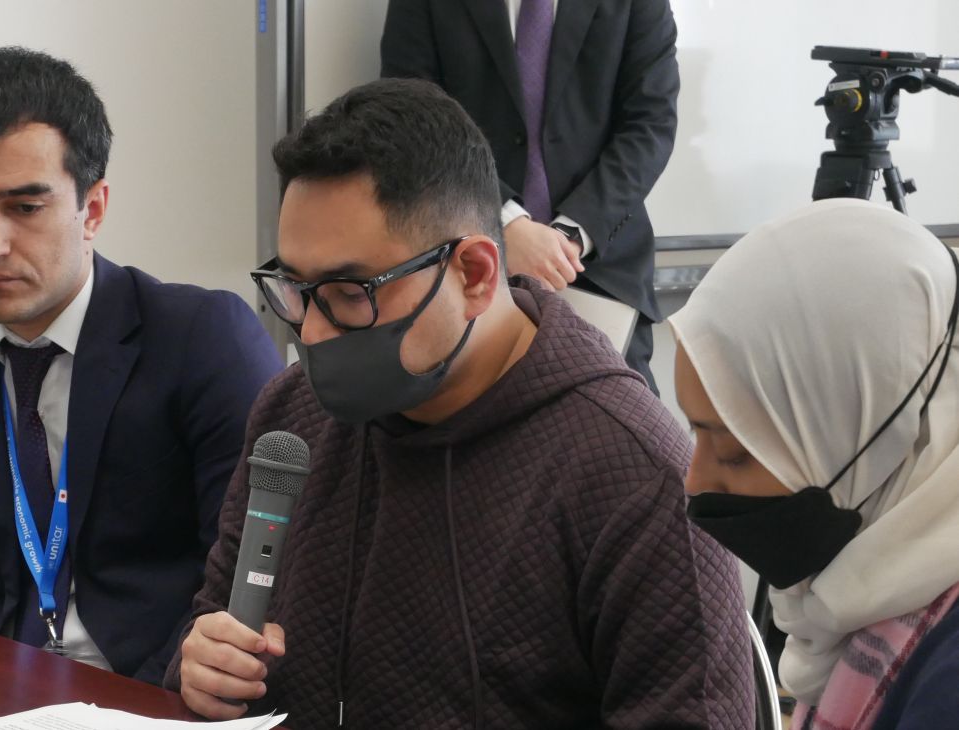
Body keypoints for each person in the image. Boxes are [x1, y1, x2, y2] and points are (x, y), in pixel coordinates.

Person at [168, 78, 752, 728]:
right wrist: (201, 669)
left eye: (349, 292)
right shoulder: (291, 418)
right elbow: (214, 624)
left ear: (474, 274)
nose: (310, 332)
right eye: (297, 289)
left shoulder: (631, 478)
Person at [0, 47, 284, 684]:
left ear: (92, 209)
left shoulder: (202, 338)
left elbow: (252, 578)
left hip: (162, 690)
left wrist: (162, 687)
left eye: (25, 206)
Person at [671, 198, 959, 729]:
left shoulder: (946, 682)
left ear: (873, 431)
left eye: (734, 452)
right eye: (695, 432)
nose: (693, 480)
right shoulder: (865, 605)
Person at [381, 0, 680, 391]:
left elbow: (650, 126)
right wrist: (504, 223)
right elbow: (410, 121)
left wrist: (569, 235)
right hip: (463, 266)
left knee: (624, 435)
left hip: (598, 271)